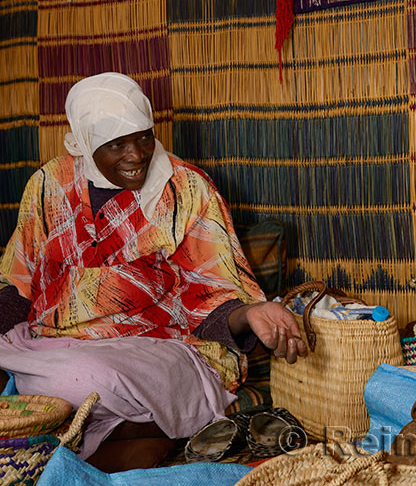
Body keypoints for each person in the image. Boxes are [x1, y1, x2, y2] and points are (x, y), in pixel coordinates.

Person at [0, 73, 307, 472]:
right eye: (116, 144)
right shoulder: (49, 185)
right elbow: (21, 281)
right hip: (55, 343)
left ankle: (112, 434)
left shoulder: (186, 189)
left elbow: (215, 291)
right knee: (57, 376)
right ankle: (141, 434)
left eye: (144, 137)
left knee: (84, 381)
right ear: (85, 142)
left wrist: (250, 313)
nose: (137, 155)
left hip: (165, 347)